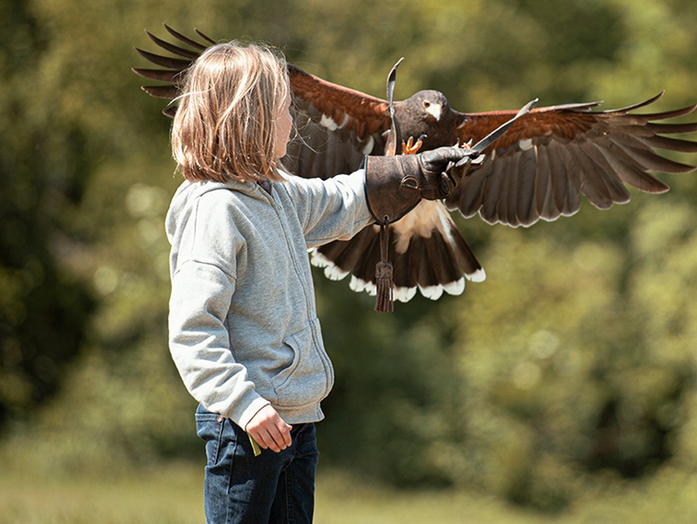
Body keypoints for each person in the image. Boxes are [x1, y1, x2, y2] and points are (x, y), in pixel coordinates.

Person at [165, 40, 469, 523]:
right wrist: (244, 406)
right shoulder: (216, 210)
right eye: (286, 110)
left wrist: (411, 174)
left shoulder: (277, 195)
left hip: (297, 422)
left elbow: (336, 200)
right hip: (246, 428)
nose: (295, 119)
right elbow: (192, 331)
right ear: (254, 120)